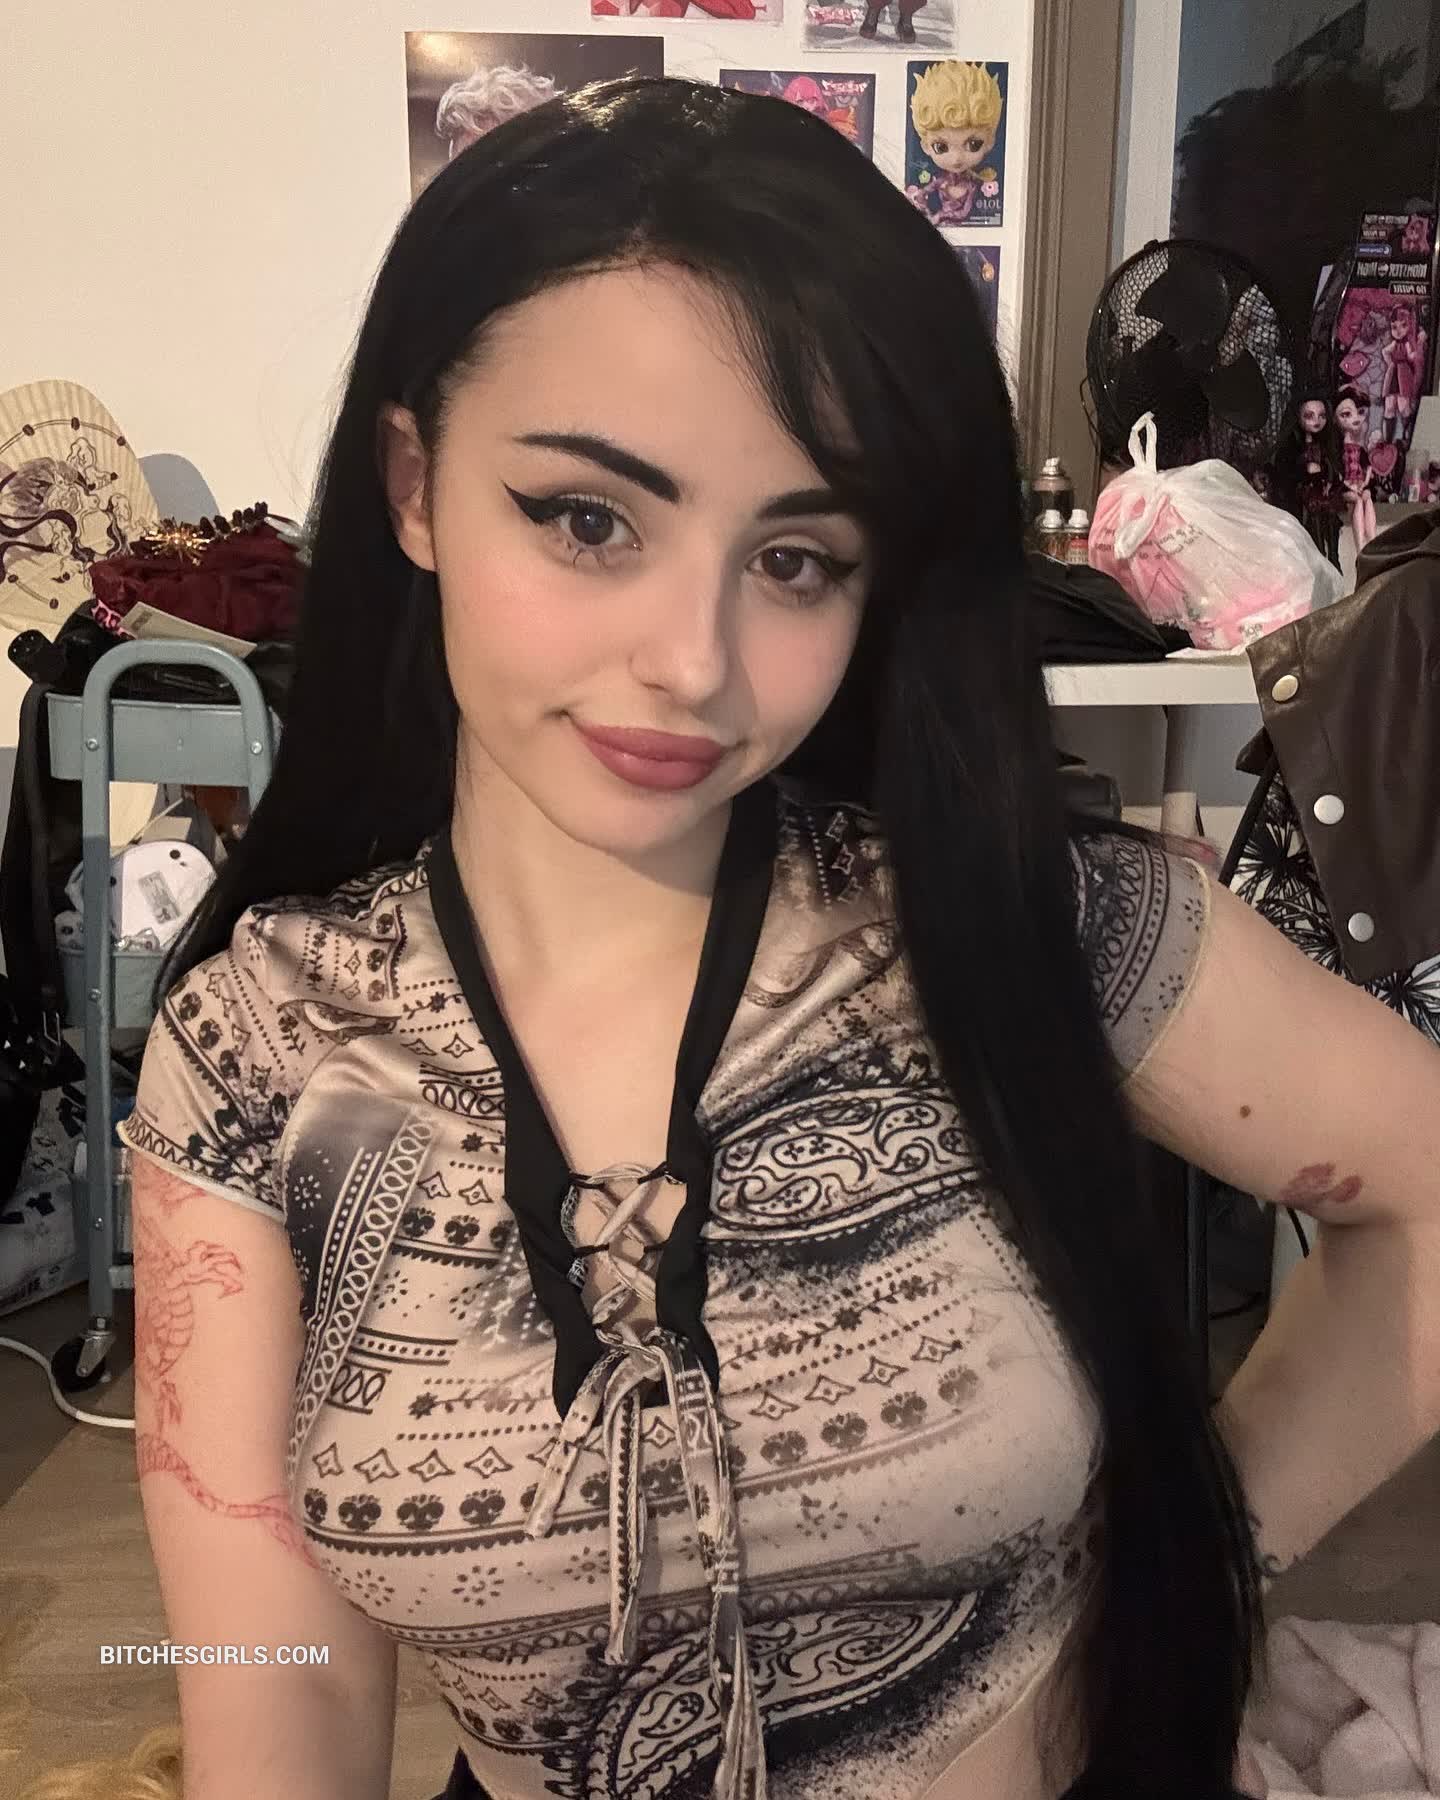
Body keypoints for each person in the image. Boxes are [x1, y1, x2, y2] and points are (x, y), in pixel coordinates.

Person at [108, 75, 1440, 1800]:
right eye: (588, 518)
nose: (694, 662)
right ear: (416, 485)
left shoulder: (1018, 919)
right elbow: (273, 1702)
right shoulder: (258, 1053)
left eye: (798, 558)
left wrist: (1192, 1573)